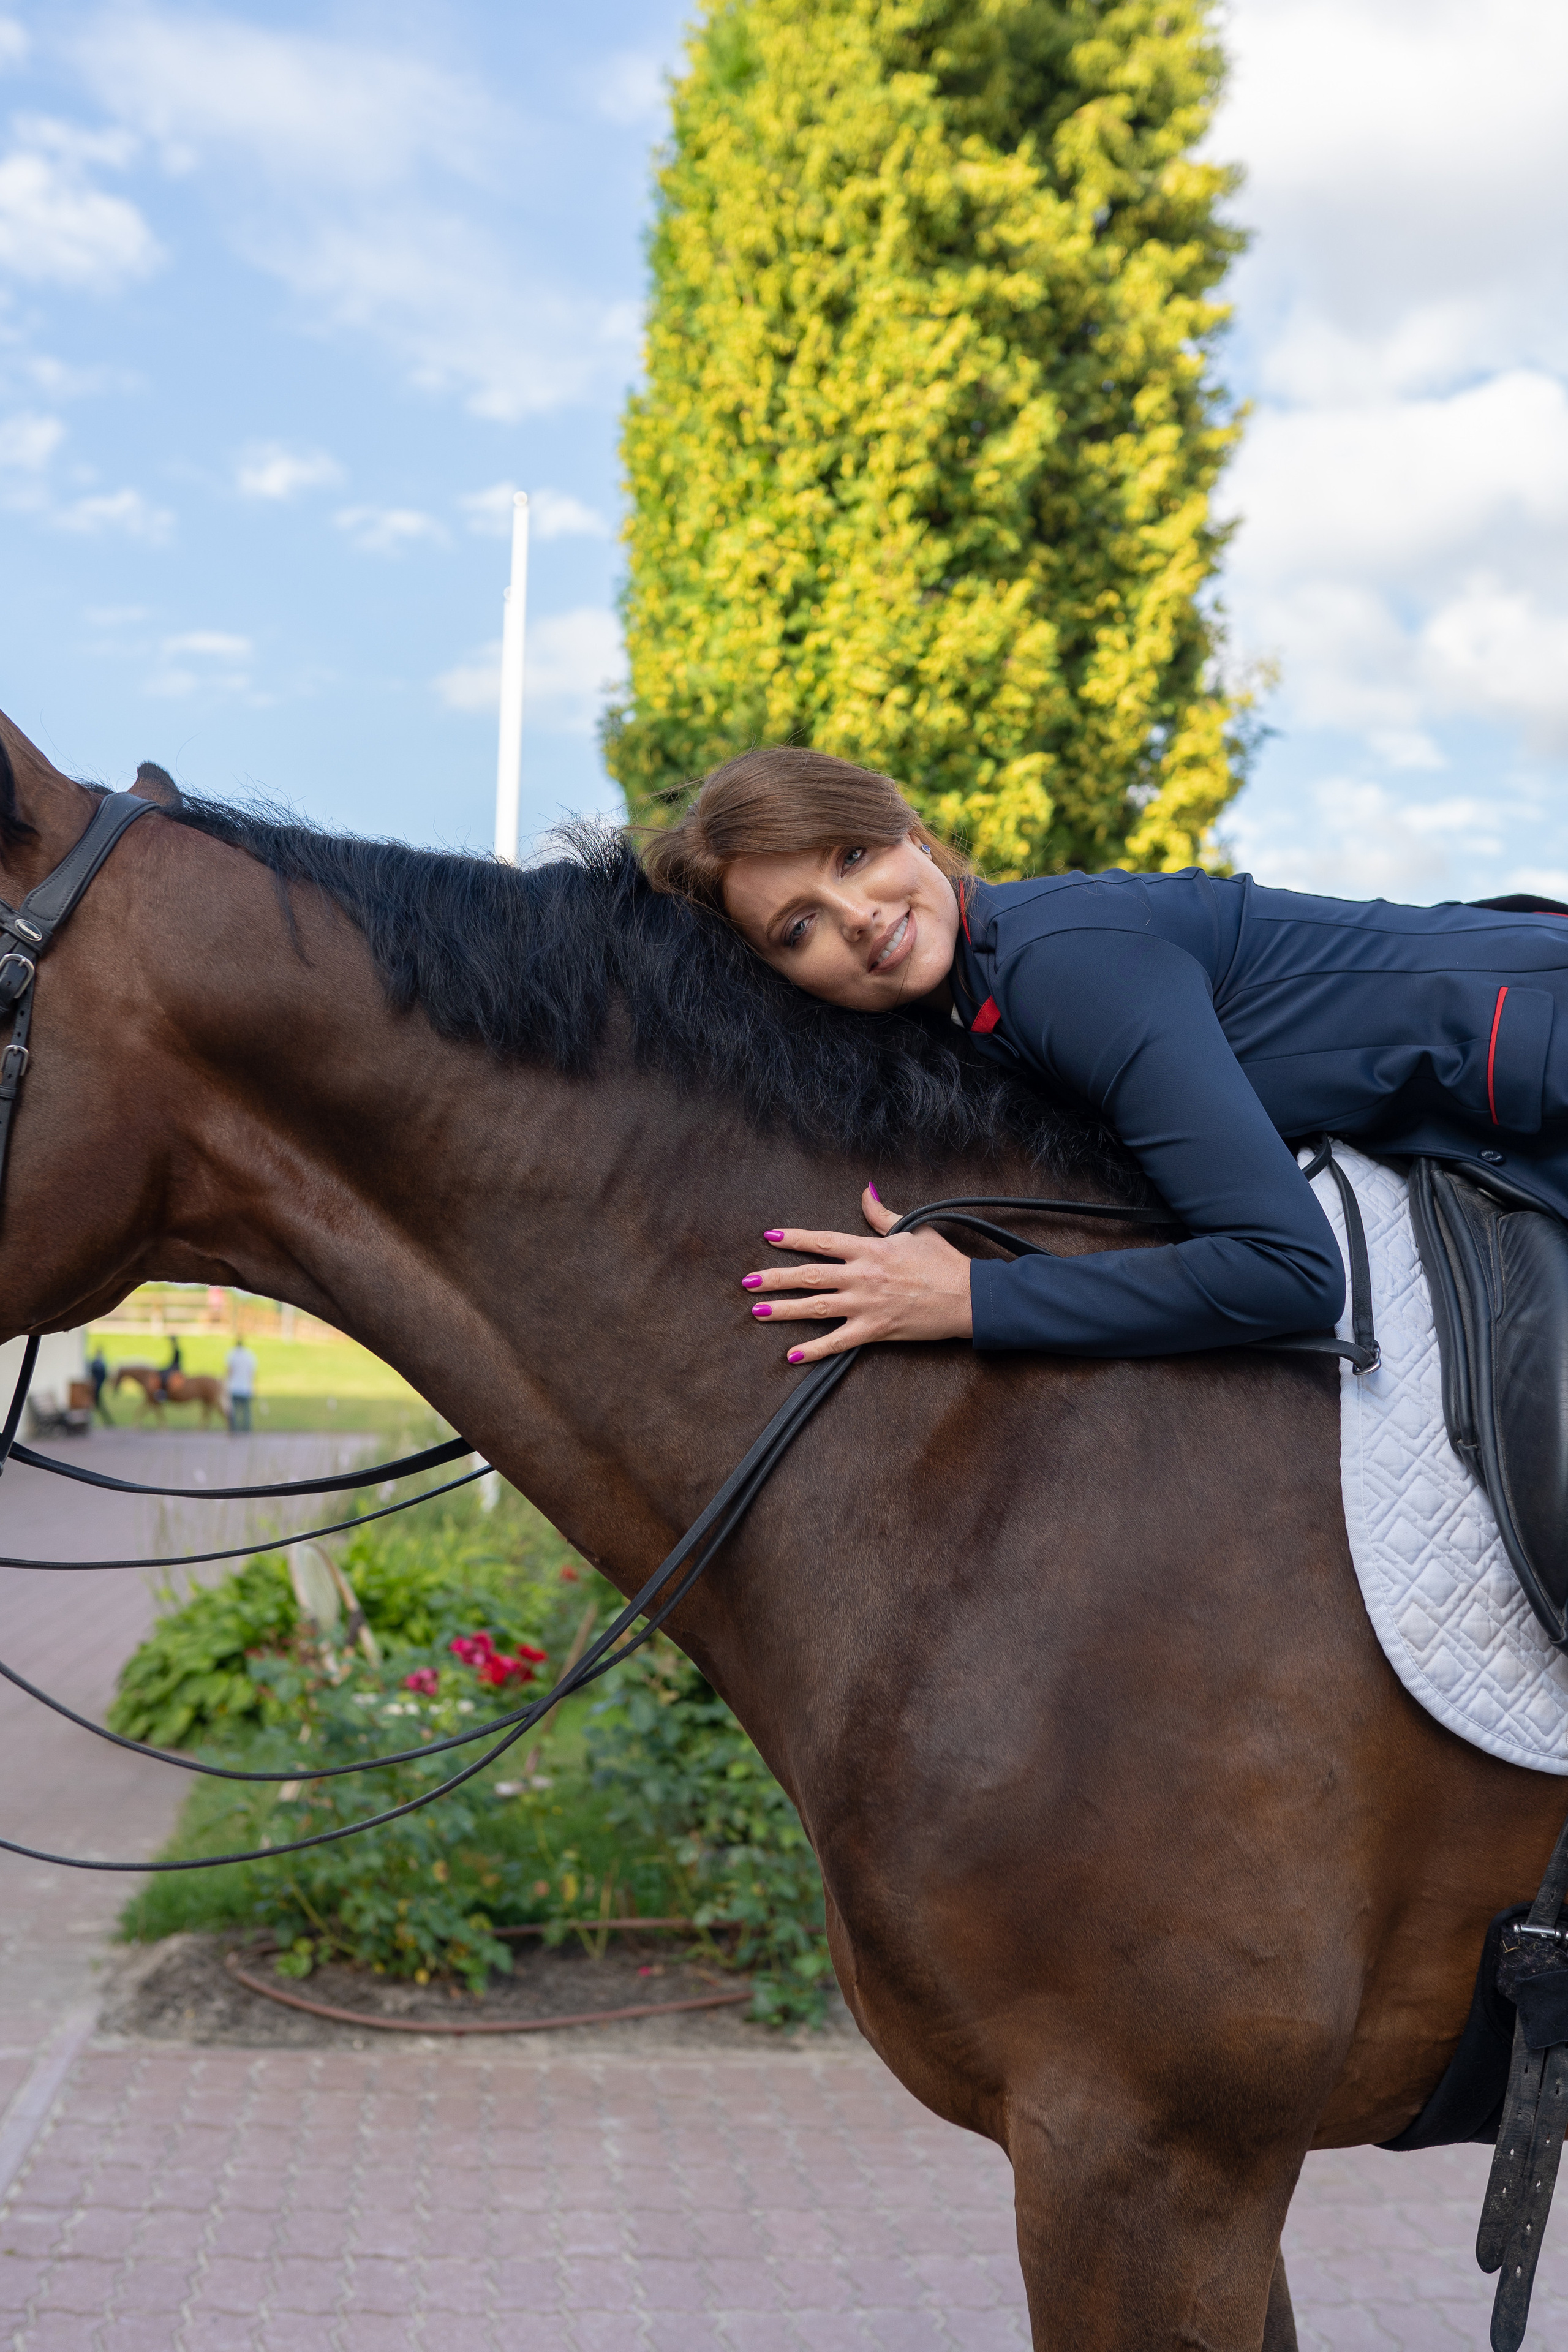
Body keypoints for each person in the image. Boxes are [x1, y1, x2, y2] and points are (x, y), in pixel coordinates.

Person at [640, 745, 1568, 1366]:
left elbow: (1291, 1271)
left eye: (849, 857)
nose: (858, 917)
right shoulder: (972, 1005)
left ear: (912, 835)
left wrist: (970, 1296)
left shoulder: (1059, 963)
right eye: (800, 927)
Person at [225, 1337, 257, 1433]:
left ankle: (234, 1430)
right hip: (246, 1387)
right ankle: (246, 1430)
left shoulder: (232, 1355)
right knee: (246, 1411)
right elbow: (252, 1373)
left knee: (234, 1410)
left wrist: (226, 1383)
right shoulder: (250, 1355)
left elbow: (229, 1371)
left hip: (234, 1387)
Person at [158, 1335, 183, 1402]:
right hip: (173, 1366)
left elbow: (176, 1362)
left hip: (175, 1368)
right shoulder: (176, 1349)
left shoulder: (177, 1350)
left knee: (164, 1376)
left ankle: (163, 1394)